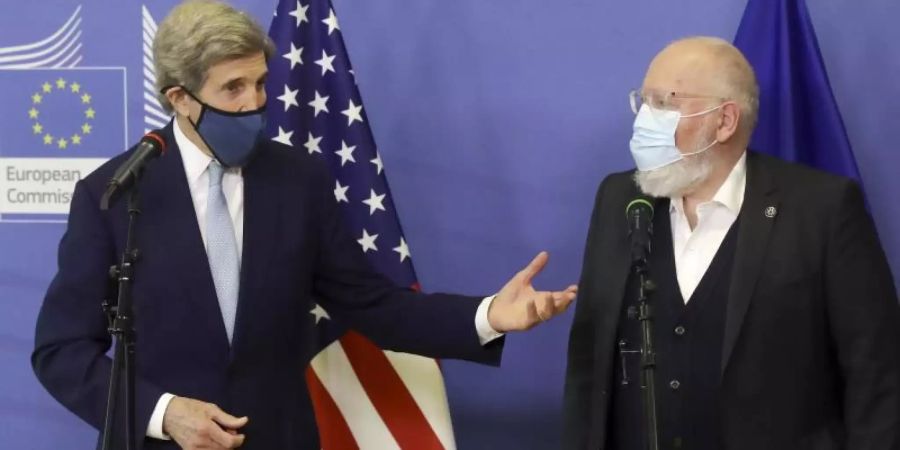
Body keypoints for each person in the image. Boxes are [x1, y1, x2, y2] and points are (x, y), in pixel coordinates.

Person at [31, 2, 577, 449]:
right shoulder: (116, 194)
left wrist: (487, 316)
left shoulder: (298, 180)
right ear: (180, 99)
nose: (255, 105)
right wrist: (163, 412)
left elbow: (373, 304)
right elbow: (62, 351)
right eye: (233, 89)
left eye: (261, 84)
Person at [562, 36, 900, 450]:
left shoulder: (822, 209)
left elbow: (877, 372)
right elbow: (589, 363)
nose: (645, 120)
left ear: (724, 122)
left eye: (665, 103)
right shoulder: (619, 199)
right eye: (643, 102)